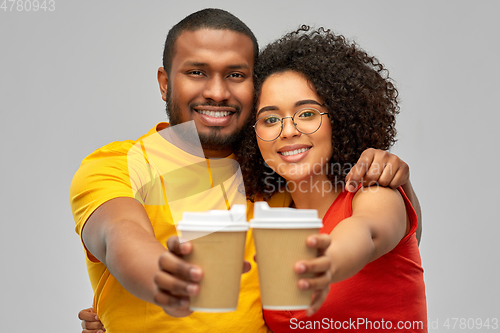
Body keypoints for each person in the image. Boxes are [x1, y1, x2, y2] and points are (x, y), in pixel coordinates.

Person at [72, 9, 421, 333]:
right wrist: (160, 279)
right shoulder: (119, 164)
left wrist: (399, 182)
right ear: (165, 82)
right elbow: (119, 233)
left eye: (236, 75)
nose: (217, 91)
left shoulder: (271, 182)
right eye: (197, 72)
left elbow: (380, 237)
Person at [235, 26, 427, 332]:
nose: (287, 131)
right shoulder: (275, 220)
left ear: (338, 116)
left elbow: (365, 233)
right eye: (270, 119)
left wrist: (328, 263)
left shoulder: (373, 192)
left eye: (307, 113)